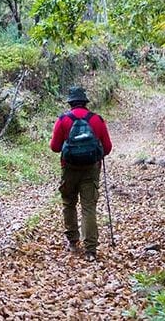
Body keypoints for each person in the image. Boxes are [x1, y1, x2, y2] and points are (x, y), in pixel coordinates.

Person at [49, 86, 113, 261]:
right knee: (88, 207)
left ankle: (72, 240)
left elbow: (55, 147)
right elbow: (107, 148)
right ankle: (91, 249)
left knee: (68, 203)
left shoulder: (63, 120)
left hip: (68, 169)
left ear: (70, 103)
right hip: (91, 169)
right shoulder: (97, 120)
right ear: (85, 102)